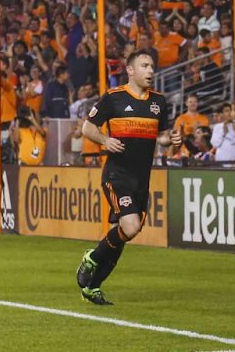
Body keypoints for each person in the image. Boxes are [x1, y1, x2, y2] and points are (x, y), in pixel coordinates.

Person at [75, 49, 182, 305]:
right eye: (145, 66)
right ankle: (92, 257)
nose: (150, 71)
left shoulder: (159, 102)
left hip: (141, 178)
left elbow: (161, 137)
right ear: (130, 70)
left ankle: (92, 287)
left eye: (152, 66)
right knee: (130, 226)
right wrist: (105, 140)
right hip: (117, 174)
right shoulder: (114, 98)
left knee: (122, 235)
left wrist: (170, 139)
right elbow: (87, 128)